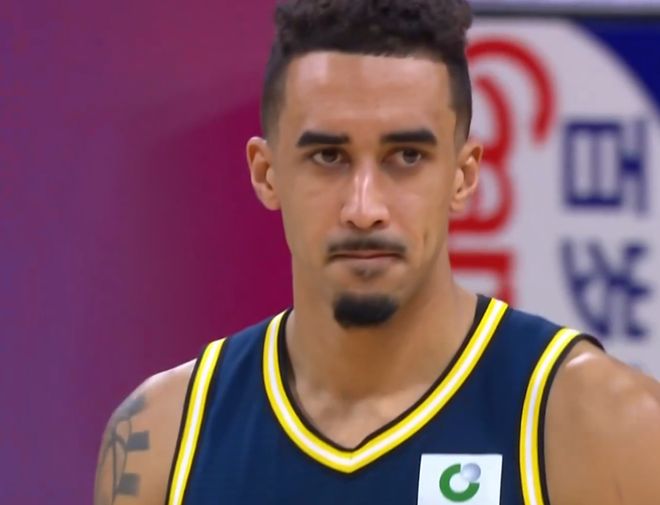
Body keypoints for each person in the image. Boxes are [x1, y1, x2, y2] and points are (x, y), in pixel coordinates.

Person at [93, 1, 660, 504]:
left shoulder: (605, 427)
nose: (364, 208)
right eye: (328, 157)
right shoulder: (163, 441)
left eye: (406, 156)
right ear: (266, 174)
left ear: (464, 176)